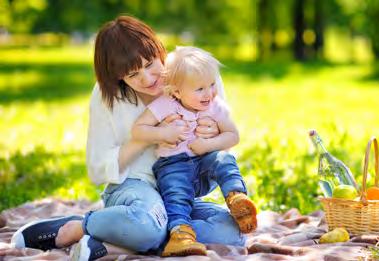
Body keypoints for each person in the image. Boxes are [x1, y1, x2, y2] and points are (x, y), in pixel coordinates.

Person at [10, 15, 246, 260]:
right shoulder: (106, 95)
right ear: (118, 77)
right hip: (134, 186)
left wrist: (212, 134)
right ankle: (82, 226)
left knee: (233, 233)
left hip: (179, 192)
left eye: (150, 63)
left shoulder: (196, 71)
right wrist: (150, 137)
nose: (147, 79)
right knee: (147, 226)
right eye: (132, 75)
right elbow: (98, 169)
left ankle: (117, 240)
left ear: (159, 49)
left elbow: (225, 147)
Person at [133, 46, 257, 257]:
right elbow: (138, 130)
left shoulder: (214, 106)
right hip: (172, 164)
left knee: (224, 159)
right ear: (177, 92)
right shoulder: (165, 104)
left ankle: (237, 199)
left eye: (211, 85)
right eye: (200, 89)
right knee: (176, 195)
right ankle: (181, 234)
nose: (209, 93)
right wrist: (165, 133)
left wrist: (209, 145)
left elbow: (233, 136)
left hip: (204, 163)